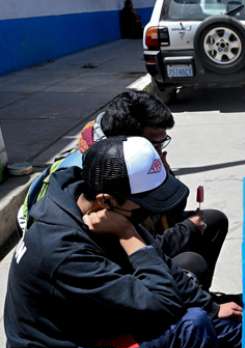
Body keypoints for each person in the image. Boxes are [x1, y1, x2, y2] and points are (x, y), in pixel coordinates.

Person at [4, 137, 244, 348]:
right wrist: (128, 236)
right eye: (144, 206)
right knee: (191, 327)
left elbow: (163, 265)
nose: (150, 214)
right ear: (106, 200)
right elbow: (162, 304)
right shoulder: (64, 249)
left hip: (93, 324)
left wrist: (213, 307)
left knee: (225, 320)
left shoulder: (95, 204)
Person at [19, 90, 229, 291]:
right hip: (105, 263)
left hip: (129, 233)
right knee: (190, 264)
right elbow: (128, 244)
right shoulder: (102, 176)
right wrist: (186, 229)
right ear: (128, 141)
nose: (160, 149)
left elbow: (166, 207)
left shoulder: (127, 159)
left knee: (212, 221)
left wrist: (164, 173)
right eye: (155, 143)